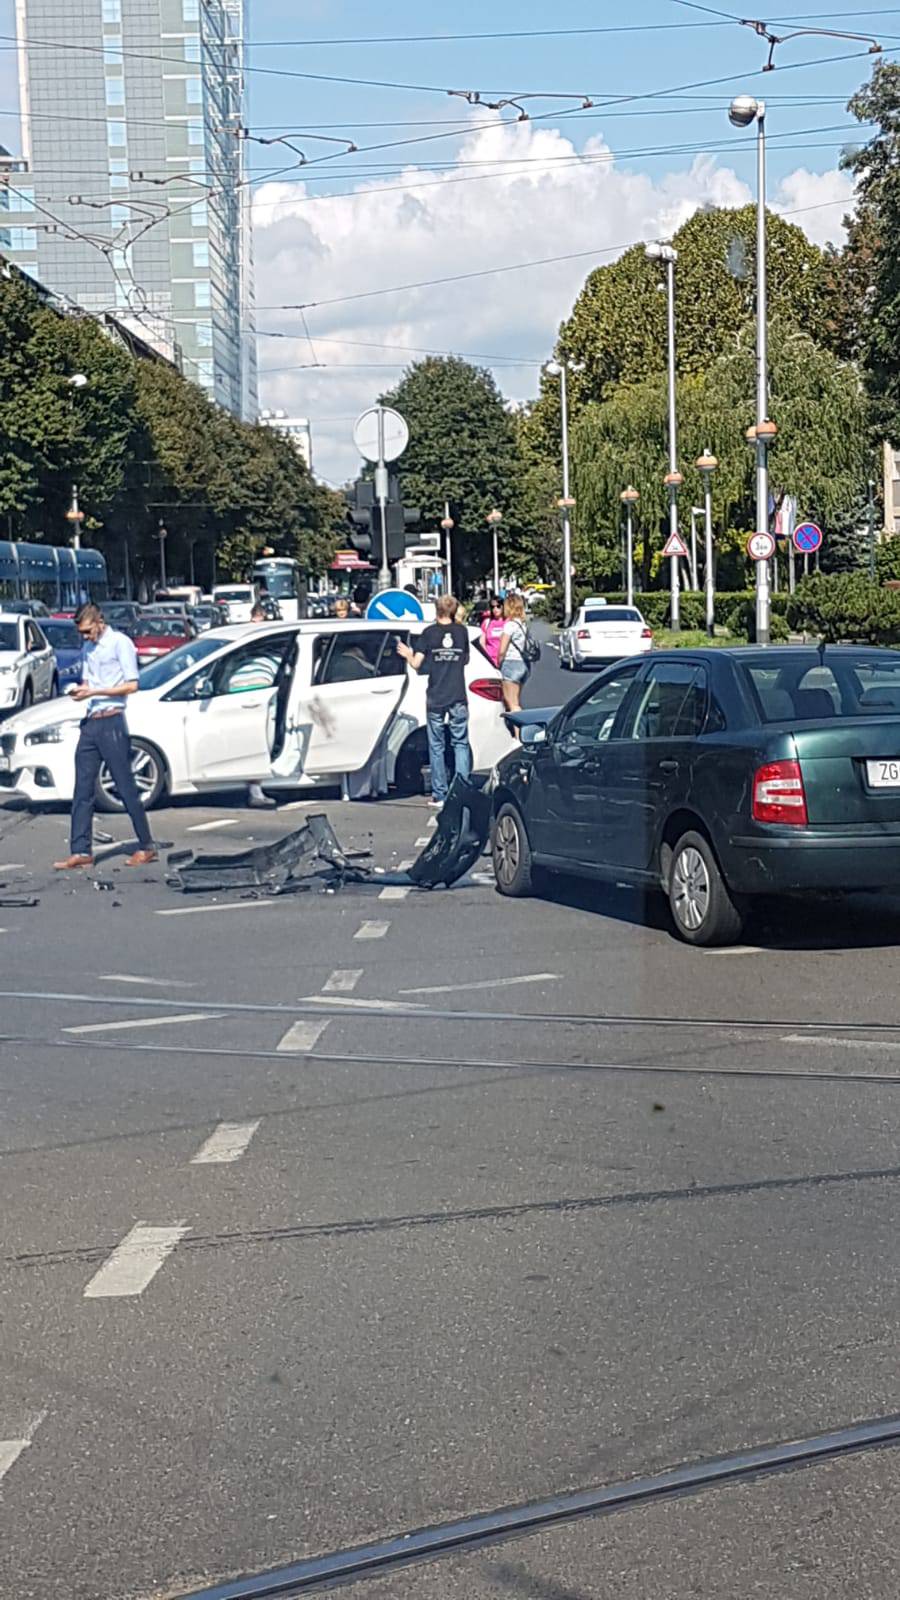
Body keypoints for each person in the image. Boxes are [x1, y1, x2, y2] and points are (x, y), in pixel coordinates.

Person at [53, 603, 158, 870]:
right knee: (83, 787)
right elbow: (90, 682)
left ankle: (146, 845)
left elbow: (132, 685)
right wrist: (81, 691)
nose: (86, 637)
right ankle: (80, 849)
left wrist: (95, 693)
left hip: (112, 720)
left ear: (99, 621)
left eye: (88, 631)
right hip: (91, 721)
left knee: (124, 785)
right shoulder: (88, 648)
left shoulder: (120, 643)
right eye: (82, 633)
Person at [397, 593, 471, 808]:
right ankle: (463, 791)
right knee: (461, 743)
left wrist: (408, 654)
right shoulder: (461, 632)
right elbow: (465, 659)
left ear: (435, 610)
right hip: (458, 694)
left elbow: (417, 664)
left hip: (436, 696)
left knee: (437, 746)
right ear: (453, 610)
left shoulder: (429, 634)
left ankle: (440, 794)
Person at [246, 602, 280, 809]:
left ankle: (255, 788)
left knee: (257, 743)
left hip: (259, 694)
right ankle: (254, 788)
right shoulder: (263, 641)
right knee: (258, 743)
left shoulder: (246, 634)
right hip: (253, 695)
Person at [497, 593, 530, 716]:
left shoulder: (509, 626)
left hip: (511, 663)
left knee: (512, 702)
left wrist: (498, 663)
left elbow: (502, 650)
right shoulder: (523, 625)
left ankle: (518, 733)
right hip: (524, 664)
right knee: (516, 699)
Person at [479, 596, 505, 667]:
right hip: (490, 661)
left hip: (505, 660)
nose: (495, 609)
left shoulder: (508, 622)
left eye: (498, 606)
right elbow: (482, 643)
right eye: (492, 607)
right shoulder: (486, 623)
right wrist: (488, 658)